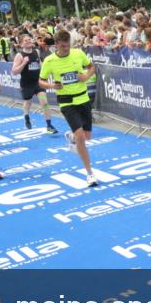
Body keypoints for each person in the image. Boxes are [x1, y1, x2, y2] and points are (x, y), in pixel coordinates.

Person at [39, 30, 99, 187]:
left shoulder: (78, 54)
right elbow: (41, 81)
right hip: (66, 102)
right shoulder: (49, 61)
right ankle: (89, 173)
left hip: (83, 98)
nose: (67, 48)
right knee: (81, 137)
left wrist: (86, 76)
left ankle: (71, 137)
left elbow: (92, 67)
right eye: (64, 46)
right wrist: (52, 85)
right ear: (57, 44)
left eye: (68, 45)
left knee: (86, 137)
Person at [11, 34, 58, 133]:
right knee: (28, 102)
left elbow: (40, 65)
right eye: (25, 40)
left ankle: (49, 125)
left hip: (38, 83)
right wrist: (24, 63)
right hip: (27, 84)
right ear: (21, 44)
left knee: (44, 102)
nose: (28, 41)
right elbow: (14, 71)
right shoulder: (20, 55)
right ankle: (26, 116)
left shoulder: (36, 51)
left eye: (29, 39)